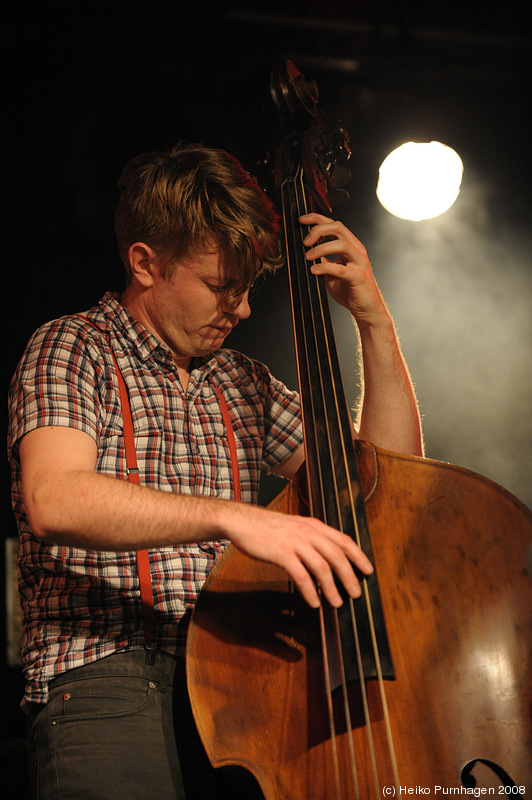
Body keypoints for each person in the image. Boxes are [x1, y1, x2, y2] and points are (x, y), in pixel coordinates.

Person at [7, 141, 423, 799]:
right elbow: (55, 499)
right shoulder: (72, 344)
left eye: (248, 286)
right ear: (146, 263)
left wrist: (372, 320)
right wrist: (236, 517)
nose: (245, 308)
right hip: (108, 674)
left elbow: (386, 483)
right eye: (221, 286)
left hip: (237, 680)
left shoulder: (243, 380)